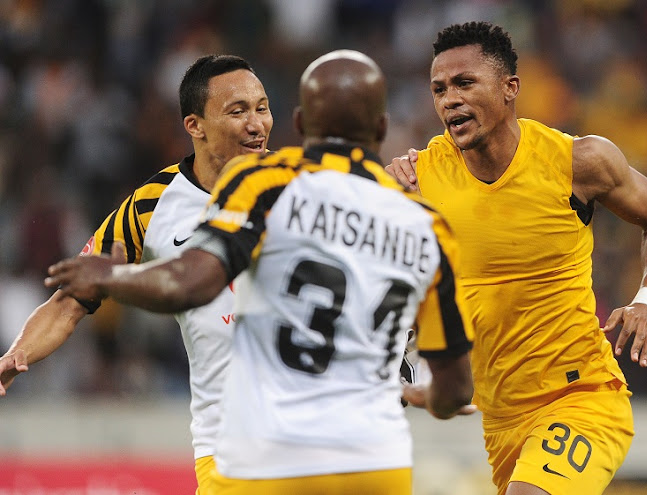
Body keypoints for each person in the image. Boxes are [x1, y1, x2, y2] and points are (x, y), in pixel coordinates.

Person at [44, 49, 475, 495]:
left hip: (268, 457)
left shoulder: (261, 182)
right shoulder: (426, 224)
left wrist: (112, 280)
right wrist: (425, 396)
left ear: (301, 124)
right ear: (382, 128)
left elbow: (193, 283)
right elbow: (456, 388)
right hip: (375, 461)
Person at [386, 21, 647, 495]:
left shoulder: (577, 162)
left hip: (582, 399)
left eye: (465, 83)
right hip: (500, 421)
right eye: (439, 89)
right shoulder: (417, 179)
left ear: (510, 89)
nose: (449, 99)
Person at [0, 54, 273, 493]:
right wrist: (12, 359)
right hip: (227, 447)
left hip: (312, 433)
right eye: (237, 111)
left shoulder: (303, 183)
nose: (257, 124)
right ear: (195, 125)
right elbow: (70, 300)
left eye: (262, 107)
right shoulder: (151, 204)